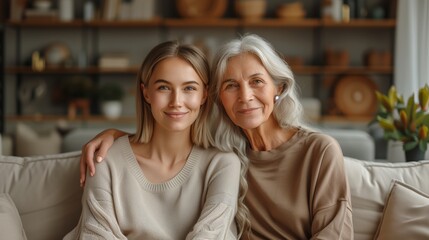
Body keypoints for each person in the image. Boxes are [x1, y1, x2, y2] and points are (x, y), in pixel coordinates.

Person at [80, 34, 353, 239]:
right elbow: (168, 136)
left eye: (257, 81)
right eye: (231, 85)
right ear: (217, 97)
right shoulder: (228, 152)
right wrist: (118, 138)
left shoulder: (318, 151)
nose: (245, 96)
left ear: (278, 87)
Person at [65, 40, 246, 239]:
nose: (176, 102)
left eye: (189, 88)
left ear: (204, 95)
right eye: (164, 88)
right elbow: (95, 236)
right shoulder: (105, 159)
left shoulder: (223, 164)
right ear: (146, 93)